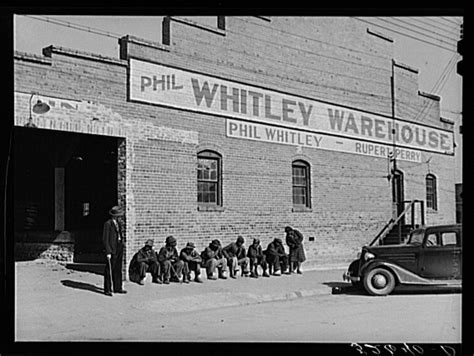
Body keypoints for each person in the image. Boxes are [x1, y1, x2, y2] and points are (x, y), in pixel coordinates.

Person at [102, 205, 127, 296]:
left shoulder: (119, 223)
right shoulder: (108, 224)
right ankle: (107, 289)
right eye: (118, 216)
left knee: (118, 268)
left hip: (119, 247)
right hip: (112, 249)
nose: (120, 217)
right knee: (109, 269)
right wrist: (108, 251)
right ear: (114, 216)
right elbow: (105, 239)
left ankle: (118, 287)